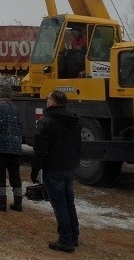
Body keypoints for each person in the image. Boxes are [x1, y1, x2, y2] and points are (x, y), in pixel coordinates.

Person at [30, 90, 82, 253]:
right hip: (69, 167)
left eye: (48, 99)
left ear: (52, 102)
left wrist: (35, 168)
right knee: (69, 202)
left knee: (59, 204)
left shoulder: (46, 122)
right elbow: (78, 144)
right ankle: (73, 237)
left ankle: (65, 240)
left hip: (53, 169)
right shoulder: (75, 121)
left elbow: (40, 149)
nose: (46, 101)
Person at [0, 85, 24, 212]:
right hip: (15, 148)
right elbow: (20, 128)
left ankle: (1, 203)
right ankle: (18, 203)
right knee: (15, 176)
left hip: (2, 148)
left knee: (0, 175)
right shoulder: (16, 109)